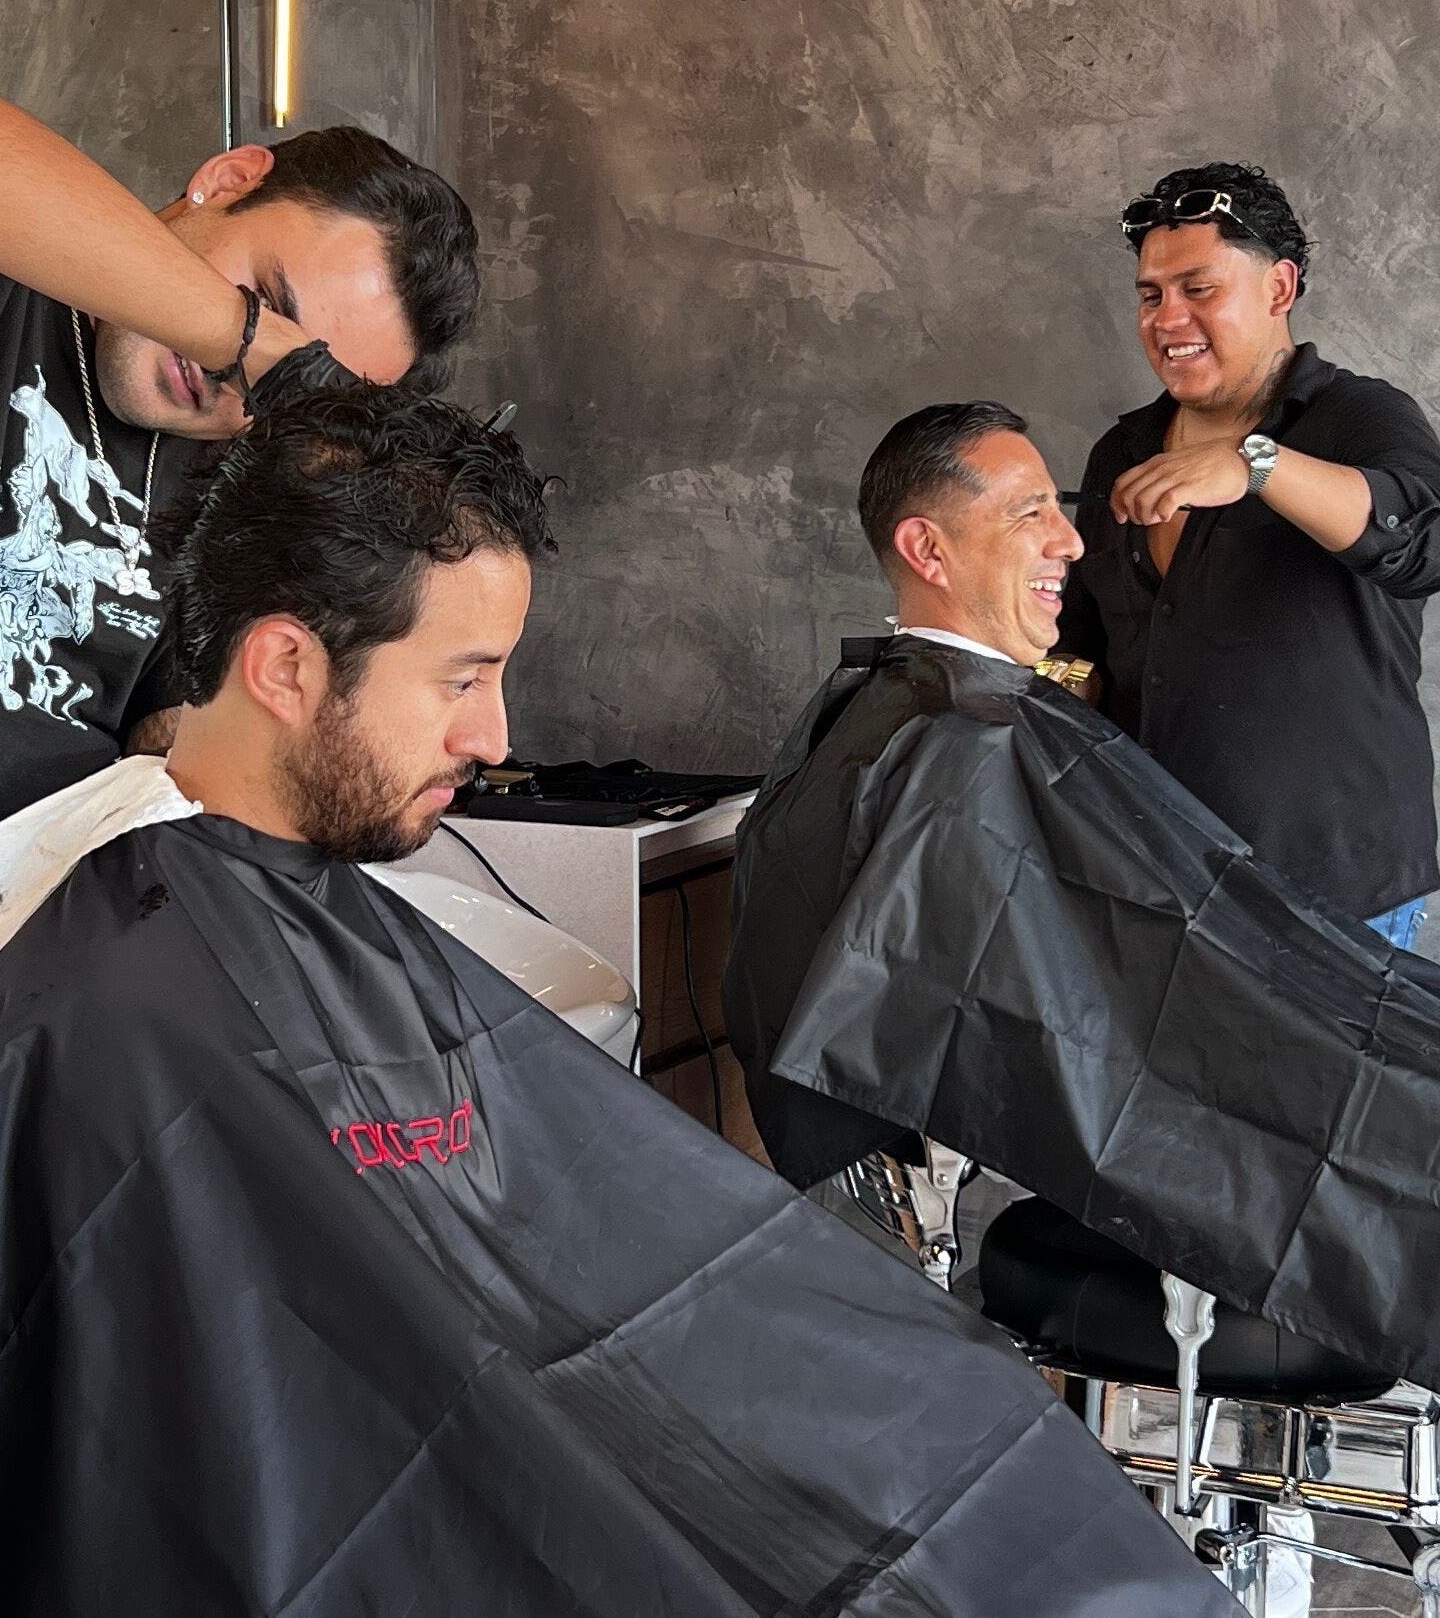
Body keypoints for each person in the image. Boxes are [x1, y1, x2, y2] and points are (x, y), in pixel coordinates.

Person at [0, 383, 1230, 1618]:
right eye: (464, 677)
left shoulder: (290, 911)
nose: (497, 733)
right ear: (284, 665)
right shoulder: (100, 980)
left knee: (966, 1433)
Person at [724, 399, 1440, 1400]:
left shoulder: (915, 714)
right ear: (927, 548)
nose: (1071, 537)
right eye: (1030, 513)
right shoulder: (961, 746)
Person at [0, 97, 480, 819]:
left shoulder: (226, 495)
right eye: (265, 296)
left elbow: (172, 741)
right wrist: (252, 338)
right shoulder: (24, 281)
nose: (241, 381)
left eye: (286, 389)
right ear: (226, 181)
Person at [1058, 162, 1440, 945]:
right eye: (1151, 294)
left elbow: (1427, 545)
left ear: (1279, 289)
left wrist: (1256, 464)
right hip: (1161, 887)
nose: (1169, 318)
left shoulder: (1360, 417)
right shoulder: (1121, 452)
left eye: (1198, 290)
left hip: (1337, 899)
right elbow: (1081, 649)